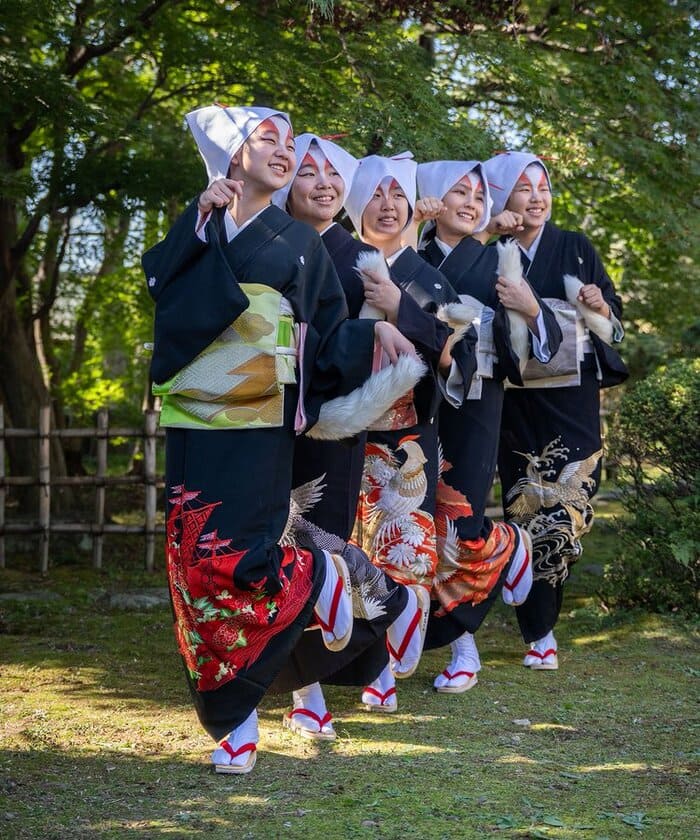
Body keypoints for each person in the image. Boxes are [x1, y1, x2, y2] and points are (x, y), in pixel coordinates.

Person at [143, 104, 420, 773]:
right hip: (193, 421)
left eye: (291, 143)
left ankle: (337, 575)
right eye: (270, 140)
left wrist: (370, 332)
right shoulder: (202, 217)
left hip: (263, 422)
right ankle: (233, 723)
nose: (286, 152)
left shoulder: (299, 243)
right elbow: (161, 290)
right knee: (194, 567)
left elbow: (322, 339)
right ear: (235, 153)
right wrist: (201, 223)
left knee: (247, 560)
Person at [267, 133, 428, 739]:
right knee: (281, 543)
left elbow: (383, 340)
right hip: (266, 410)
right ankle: (383, 619)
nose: (324, 184)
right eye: (309, 173)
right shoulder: (268, 239)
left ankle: (310, 691)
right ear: (287, 183)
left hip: (331, 415)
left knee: (322, 544)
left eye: (335, 174)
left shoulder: (361, 255)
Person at [414, 159, 562, 692]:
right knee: (413, 519)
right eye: (458, 191)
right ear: (431, 198)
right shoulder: (409, 249)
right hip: (412, 396)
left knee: (460, 517)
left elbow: (533, 340)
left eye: (479, 194)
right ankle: (403, 638)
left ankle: (463, 645)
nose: (472, 201)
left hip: (475, 397)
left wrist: (527, 308)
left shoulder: (497, 258)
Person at [482, 151, 628, 670]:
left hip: (571, 395)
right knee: (524, 505)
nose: (536, 197)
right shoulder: (488, 250)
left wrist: (603, 307)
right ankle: (539, 633)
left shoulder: (575, 247)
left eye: (543, 187)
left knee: (571, 503)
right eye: (524, 188)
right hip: (515, 396)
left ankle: (529, 591)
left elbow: (615, 326)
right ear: (503, 196)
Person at [345, 153, 477, 711]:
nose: (389, 204)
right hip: (341, 436)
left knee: (405, 553)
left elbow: (461, 360)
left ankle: (385, 668)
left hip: (406, 441)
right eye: (375, 194)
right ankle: (347, 657)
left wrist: (404, 308)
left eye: (398, 194)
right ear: (355, 204)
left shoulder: (428, 277)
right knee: (348, 548)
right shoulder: (330, 262)